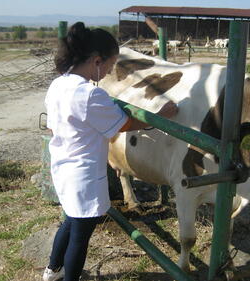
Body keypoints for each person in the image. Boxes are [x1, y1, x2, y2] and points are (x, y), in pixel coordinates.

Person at [43, 22, 179, 281]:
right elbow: (124, 124)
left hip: (62, 165)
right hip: (82, 174)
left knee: (71, 221)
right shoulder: (90, 95)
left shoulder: (58, 85)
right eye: (108, 65)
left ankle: (52, 270)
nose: (107, 73)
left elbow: (57, 127)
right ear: (96, 60)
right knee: (81, 234)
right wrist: (158, 117)